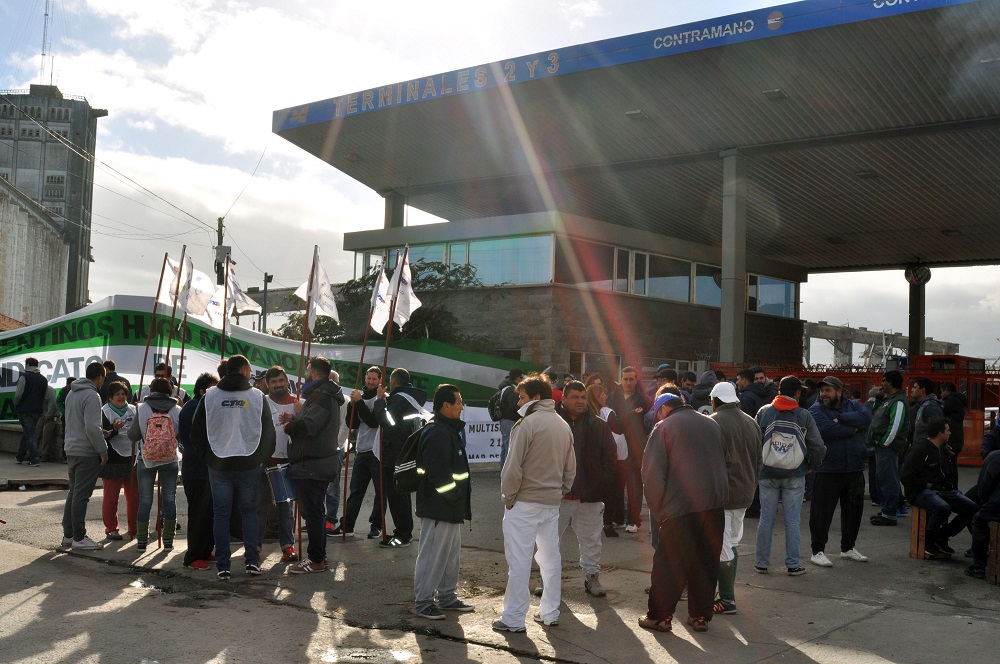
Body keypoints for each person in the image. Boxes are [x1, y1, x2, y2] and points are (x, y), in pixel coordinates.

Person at [639, 389, 728, 634]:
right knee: (706, 563)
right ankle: (700, 616)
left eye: (657, 414)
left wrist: (659, 510)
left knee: (670, 565)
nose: (657, 419)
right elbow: (727, 461)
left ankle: (659, 617)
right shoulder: (712, 424)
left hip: (680, 509)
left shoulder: (664, 428)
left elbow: (652, 475)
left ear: (664, 409)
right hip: (713, 507)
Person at [494, 376, 575, 633]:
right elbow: (570, 470)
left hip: (524, 502)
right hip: (551, 503)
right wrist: (559, 491)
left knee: (519, 560)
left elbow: (512, 467)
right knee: (550, 559)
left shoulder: (526, 424)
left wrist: (508, 497)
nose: (519, 401)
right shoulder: (563, 425)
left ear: (535, 398)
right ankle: (549, 612)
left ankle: (514, 618)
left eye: (522, 397)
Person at [189, 354, 276, 580]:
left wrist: (208, 457)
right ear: (246, 371)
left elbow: (196, 432)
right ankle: (251, 562)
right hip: (249, 464)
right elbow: (269, 433)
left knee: (221, 514)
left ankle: (223, 566)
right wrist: (260, 458)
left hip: (218, 464)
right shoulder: (258, 397)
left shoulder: (210, 396)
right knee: (249, 513)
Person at [412, 384, 474, 619]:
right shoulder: (438, 431)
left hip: (450, 508)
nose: (462, 407)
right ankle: (424, 602)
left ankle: (447, 597)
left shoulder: (447, 429)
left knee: (449, 556)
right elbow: (438, 474)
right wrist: (455, 497)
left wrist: (456, 501)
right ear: (446, 405)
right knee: (432, 556)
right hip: (440, 508)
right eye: (459, 402)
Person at [550, 380, 616, 597]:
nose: (580, 401)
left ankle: (592, 577)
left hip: (590, 495)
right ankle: (548, 580)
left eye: (583, 397)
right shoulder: (552, 423)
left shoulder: (599, 425)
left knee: (591, 539)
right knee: (549, 539)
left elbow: (610, 457)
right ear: (564, 399)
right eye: (575, 397)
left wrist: (601, 482)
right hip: (556, 495)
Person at [754, 376, 826, 576]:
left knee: (765, 519)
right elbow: (818, 446)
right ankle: (793, 564)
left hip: (767, 473)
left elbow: (753, 442)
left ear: (778, 390)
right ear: (797, 393)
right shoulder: (804, 415)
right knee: (792, 521)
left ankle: (761, 563)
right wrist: (810, 466)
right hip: (795, 474)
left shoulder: (764, 412)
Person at [282, 357, 344, 574]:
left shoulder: (322, 396)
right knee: (315, 512)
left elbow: (309, 426)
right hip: (315, 463)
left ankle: (315, 559)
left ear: (315, 374)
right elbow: (310, 421)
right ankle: (320, 556)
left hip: (313, 465)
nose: (305, 374)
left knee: (314, 513)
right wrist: (295, 417)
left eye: (307, 370)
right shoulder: (322, 395)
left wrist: (291, 425)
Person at [708, 381, 762, 614]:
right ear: (735, 400)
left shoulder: (713, 423)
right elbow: (759, 461)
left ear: (714, 402)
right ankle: (724, 594)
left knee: (722, 546)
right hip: (745, 494)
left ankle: (727, 599)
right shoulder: (752, 422)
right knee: (732, 542)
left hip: (723, 496)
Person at [808, 376, 873, 567]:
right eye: (822, 391)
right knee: (821, 512)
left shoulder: (853, 405)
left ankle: (848, 548)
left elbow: (867, 418)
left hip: (854, 467)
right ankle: (817, 551)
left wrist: (841, 419)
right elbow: (825, 430)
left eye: (828, 390)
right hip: (828, 468)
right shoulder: (816, 410)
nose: (823, 394)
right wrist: (852, 429)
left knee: (853, 510)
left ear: (839, 391)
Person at [901, 417, 979, 558]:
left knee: (972, 508)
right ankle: (928, 542)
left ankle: (941, 537)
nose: (950, 433)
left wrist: (949, 462)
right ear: (939, 433)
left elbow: (948, 475)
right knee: (942, 508)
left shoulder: (942, 450)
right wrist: (928, 485)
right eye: (947, 430)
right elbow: (906, 477)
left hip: (941, 490)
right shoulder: (919, 449)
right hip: (920, 492)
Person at [373, 368, 428, 548]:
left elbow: (387, 421)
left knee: (397, 496)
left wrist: (380, 401)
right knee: (401, 494)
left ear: (394, 382)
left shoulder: (399, 399)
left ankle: (403, 534)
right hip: (403, 450)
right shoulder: (408, 398)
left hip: (394, 452)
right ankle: (405, 531)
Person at [128, 377, 182, 552]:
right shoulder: (177, 410)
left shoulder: (142, 409)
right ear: (170, 391)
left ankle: (142, 542)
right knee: (169, 499)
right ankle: (168, 541)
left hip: (146, 458)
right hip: (170, 459)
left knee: (145, 500)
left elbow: (133, 435)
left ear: (151, 391)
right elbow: (180, 436)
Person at [61, 362, 108, 550]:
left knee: (73, 493)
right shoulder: (92, 395)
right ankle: (79, 538)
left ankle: (68, 535)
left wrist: (98, 432)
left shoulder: (72, 393)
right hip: (86, 452)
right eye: (103, 378)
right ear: (99, 377)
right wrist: (102, 450)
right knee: (81, 495)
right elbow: (90, 427)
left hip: (71, 448)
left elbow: (79, 423)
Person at [334, 366, 384, 539]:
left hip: (377, 451)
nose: (370, 382)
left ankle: (376, 525)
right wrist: (352, 405)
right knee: (356, 490)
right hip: (362, 449)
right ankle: (347, 526)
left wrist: (360, 403)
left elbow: (373, 421)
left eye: (374, 379)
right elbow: (352, 424)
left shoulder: (382, 398)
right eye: (368, 379)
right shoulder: (358, 397)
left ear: (380, 381)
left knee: (380, 492)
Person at [259, 366, 299, 563]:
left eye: (281, 380)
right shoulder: (261, 402)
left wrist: (296, 417)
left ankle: (288, 546)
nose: (278, 385)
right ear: (267, 384)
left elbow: (308, 426)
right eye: (273, 382)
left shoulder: (297, 404)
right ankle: (254, 547)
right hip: (263, 460)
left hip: (287, 462)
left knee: (285, 507)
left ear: (287, 381)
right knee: (259, 505)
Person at [179, 372, 218, 570]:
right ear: (203, 390)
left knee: (208, 513)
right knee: (198, 515)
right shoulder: (196, 407)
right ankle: (193, 556)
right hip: (197, 470)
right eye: (213, 389)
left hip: (202, 469)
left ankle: (204, 551)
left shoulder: (195, 406)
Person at [605, 366, 649, 534]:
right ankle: (618, 518)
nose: (628, 382)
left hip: (635, 446)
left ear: (636, 381)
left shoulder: (643, 399)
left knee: (634, 484)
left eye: (631, 379)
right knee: (617, 483)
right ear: (620, 379)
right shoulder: (611, 397)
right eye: (625, 379)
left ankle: (633, 519)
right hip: (615, 443)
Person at [867, 370, 910, 527]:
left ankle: (889, 514)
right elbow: (877, 414)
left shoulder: (898, 402)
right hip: (883, 446)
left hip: (887, 447)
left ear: (890, 382)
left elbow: (895, 425)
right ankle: (888, 509)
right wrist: (879, 399)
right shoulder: (889, 400)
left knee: (888, 478)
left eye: (884, 380)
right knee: (883, 477)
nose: (881, 383)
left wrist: (885, 443)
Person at [100, 381, 138, 541]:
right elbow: (101, 435)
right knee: (111, 497)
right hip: (112, 459)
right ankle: (111, 529)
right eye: (118, 394)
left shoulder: (134, 410)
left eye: (123, 393)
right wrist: (114, 430)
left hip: (132, 457)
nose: (121, 397)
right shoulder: (104, 412)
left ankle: (134, 528)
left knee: (135, 497)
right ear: (110, 397)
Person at [588, 382, 627, 537]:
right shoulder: (607, 411)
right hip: (611, 458)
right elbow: (618, 428)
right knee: (611, 492)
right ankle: (608, 523)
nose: (605, 396)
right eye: (602, 394)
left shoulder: (588, 413)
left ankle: (597, 523)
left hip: (593, 457)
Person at [966, 450, 1000, 579]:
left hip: (996, 510)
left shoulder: (995, 457)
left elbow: (983, 489)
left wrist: (986, 502)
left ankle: (978, 566)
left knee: (978, 521)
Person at [323, 369, 348, 536]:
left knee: (332, 487)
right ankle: (320, 518)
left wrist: (335, 447)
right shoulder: (321, 398)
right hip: (321, 450)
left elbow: (345, 427)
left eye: (333, 381)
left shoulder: (344, 401)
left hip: (334, 450)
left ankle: (330, 520)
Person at [15, 356, 48, 466]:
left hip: (25, 410)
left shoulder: (24, 377)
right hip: (37, 410)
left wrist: (17, 404)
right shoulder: (43, 379)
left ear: (28, 365)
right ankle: (19, 456)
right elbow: (45, 395)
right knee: (28, 433)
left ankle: (35, 459)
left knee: (30, 434)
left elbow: (18, 394)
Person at [939, 381, 967, 489]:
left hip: (952, 439)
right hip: (957, 437)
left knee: (949, 466)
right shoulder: (958, 401)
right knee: (952, 465)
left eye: (942, 392)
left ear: (947, 391)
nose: (941, 395)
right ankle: (954, 488)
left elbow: (941, 409)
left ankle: (951, 489)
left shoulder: (951, 401)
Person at [496, 368, 524, 470]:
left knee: (505, 446)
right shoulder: (512, 389)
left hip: (505, 420)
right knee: (509, 447)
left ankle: (503, 469)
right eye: (521, 377)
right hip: (510, 420)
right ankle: (507, 471)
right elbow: (513, 405)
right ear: (517, 378)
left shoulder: (505, 387)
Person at [37, 382, 60, 462]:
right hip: (42, 415)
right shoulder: (37, 391)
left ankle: (45, 454)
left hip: (52, 416)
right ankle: (33, 453)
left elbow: (52, 405)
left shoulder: (49, 391)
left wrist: (47, 416)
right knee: (36, 432)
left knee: (46, 433)